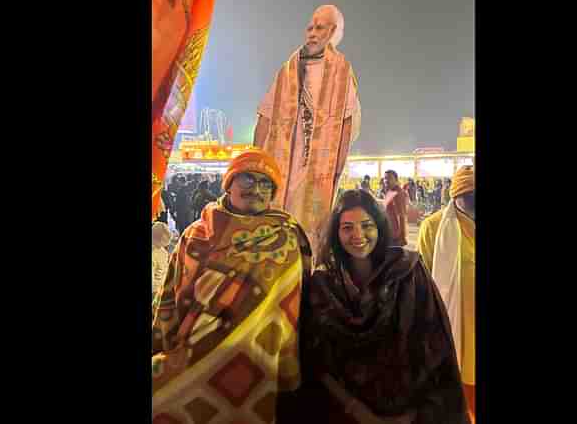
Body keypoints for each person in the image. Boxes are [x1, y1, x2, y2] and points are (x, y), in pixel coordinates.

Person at [279, 189, 470, 423]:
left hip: (410, 409)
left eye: (367, 225)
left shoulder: (408, 272)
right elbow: (315, 360)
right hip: (342, 411)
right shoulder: (323, 286)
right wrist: (356, 410)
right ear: (336, 234)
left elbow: (434, 345)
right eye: (347, 227)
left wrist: (411, 413)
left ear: (380, 226)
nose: (358, 235)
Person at [153, 149, 312, 424]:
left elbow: (300, 296)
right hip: (197, 355)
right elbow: (170, 293)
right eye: (247, 180)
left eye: (266, 183)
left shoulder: (288, 234)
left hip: (258, 362)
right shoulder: (197, 234)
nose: (257, 189)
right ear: (229, 184)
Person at [254, 4, 361, 261]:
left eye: (320, 27)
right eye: (310, 27)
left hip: (317, 171)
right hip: (281, 166)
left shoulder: (341, 70)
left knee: (309, 236)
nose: (312, 32)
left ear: (333, 31)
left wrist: (336, 168)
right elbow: (265, 117)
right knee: (275, 229)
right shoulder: (288, 69)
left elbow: (347, 123)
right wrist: (256, 162)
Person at [417, 166, 475, 423]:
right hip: (455, 327)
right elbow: (425, 282)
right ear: (456, 197)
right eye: (470, 196)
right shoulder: (434, 227)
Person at [383, 170, 409, 247]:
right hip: (389, 234)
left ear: (396, 180)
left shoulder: (398, 193)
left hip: (395, 237)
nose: (386, 181)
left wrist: (402, 237)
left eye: (389, 178)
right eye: (385, 178)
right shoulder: (390, 192)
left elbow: (402, 216)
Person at [152, 222, 172, 301]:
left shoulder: (163, 252)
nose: (166, 245)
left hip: (162, 286)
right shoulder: (154, 253)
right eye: (164, 242)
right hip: (156, 290)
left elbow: (166, 267)